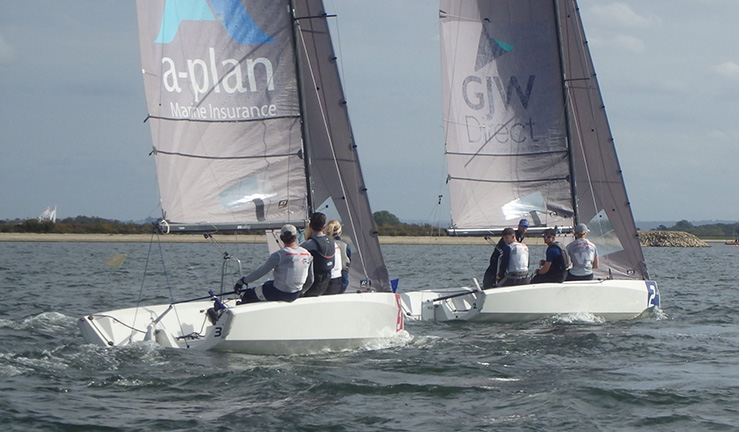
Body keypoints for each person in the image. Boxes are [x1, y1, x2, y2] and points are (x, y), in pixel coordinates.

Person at [234, 224, 313, 304]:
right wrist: (301, 292)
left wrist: (243, 281)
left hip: (278, 293)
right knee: (268, 284)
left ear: (281, 238)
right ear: (296, 237)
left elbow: (261, 272)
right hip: (295, 294)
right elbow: (310, 279)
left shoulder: (279, 255)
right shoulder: (307, 254)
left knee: (248, 295)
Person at [482, 218, 529, 288]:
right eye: (522, 227)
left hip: (509, 264)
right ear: (519, 226)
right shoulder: (514, 238)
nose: (524, 229)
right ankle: (488, 285)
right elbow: (505, 255)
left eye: (525, 227)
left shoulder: (517, 240)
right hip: (498, 256)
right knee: (492, 272)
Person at [300, 212, 336, 297]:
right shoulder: (331, 241)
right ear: (324, 227)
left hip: (311, 286)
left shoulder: (307, 245)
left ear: (310, 226)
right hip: (326, 284)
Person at [325, 219, 351, 294]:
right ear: (340, 231)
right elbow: (348, 259)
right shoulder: (345, 245)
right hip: (343, 278)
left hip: (329, 279)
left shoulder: (326, 245)